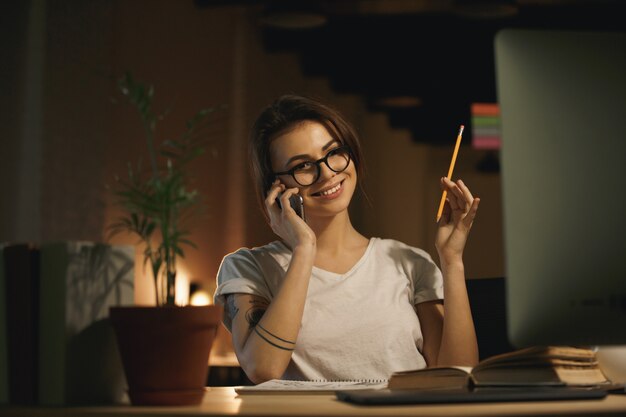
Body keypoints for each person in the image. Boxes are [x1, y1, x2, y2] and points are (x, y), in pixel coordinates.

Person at [214, 94, 480, 384]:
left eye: (334, 152)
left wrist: (452, 261)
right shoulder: (247, 268)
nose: (327, 173)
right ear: (276, 188)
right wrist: (304, 249)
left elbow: (458, 377)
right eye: (302, 166)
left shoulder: (409, 262)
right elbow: (263, 369)